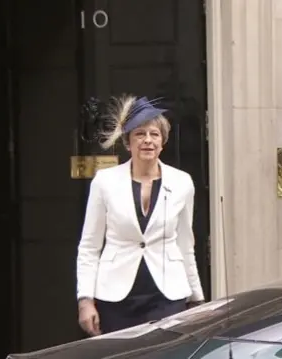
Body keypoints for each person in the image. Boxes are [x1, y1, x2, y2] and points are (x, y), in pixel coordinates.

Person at [76, 94, 205, 337]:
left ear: (163, 142)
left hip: (167, 296)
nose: (147, 141)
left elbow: (186, 243)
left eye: (154, 134)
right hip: (116, 298)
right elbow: (89, 246)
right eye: (139, 134)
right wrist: (85, 299)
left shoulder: (182, 182)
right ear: (128, 142)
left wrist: (196, 298)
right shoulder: (105, 182)